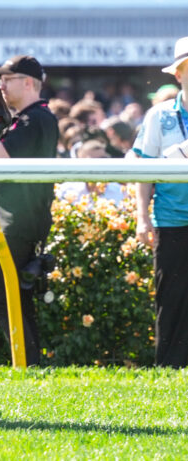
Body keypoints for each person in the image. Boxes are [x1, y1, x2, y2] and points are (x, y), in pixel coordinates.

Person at [0, 55, 59, 366]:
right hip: (15, 219)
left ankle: (26, 364)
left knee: (1, 299)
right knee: (16, 298)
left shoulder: (34, 118)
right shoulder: (25, 118)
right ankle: (30, 364)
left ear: (28, 83)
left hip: (19, 220)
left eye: (8, 79)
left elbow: (5, 163)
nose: (1, 84)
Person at [133, 35, 188, 368]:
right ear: (178, 74)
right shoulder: (159, 115)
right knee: (171, 300)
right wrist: (142, 216)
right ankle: (170, 368)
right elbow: (143, 168)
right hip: (171, 221)